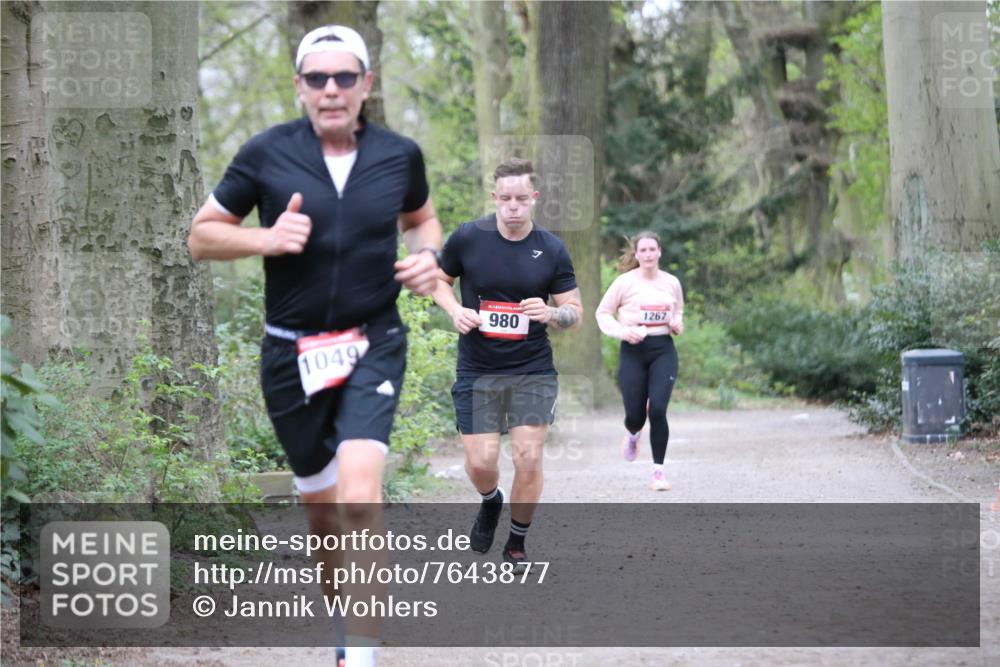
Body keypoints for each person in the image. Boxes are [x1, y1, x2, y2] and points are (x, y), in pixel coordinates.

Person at [187, 25, 441, 666]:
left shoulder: (398, 155)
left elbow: (421, 219)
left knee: (361, 495)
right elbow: (202, 236)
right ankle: (346, 619)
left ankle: (360, 655)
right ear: (300, 86)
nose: (332, 90)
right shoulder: (265, 153)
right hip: (289, 355)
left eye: (345, 78)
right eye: (318, 79)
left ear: (366, 86)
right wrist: (265, 240)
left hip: (372, 341)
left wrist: (427, 258)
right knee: (325, 517)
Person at [431, 158, 581, 569]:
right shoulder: (467, 238)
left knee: (528, 457)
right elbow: (438, 281)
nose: (513, 206)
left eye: (521, 198)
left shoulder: (551, 248)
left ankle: (517, 541)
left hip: (532, 369)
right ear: (494, 198)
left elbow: (574, 311)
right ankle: (490, 500)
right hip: (477, 369)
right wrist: (454, 310)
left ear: (534, 198)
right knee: (481, 463)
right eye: (505, 199)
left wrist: (550, 313)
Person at [596, 231, 684, 491]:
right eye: (642, 250)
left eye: (651, 250)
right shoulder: (625, 282)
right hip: (633, 350)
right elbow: (602, 313)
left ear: (659, 252)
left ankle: (658, 472)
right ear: (636, 254)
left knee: (657, 410)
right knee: (635, 415)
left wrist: (677, 323)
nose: (647, 254)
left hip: (663, 350)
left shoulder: (671, 282)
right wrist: (623, 332)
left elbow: (678, 310)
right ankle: (633, 433)